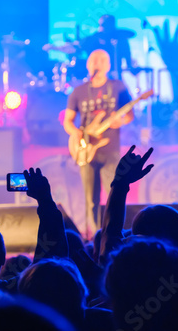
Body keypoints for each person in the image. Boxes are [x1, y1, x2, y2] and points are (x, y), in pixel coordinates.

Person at [63, 49, 134, 238]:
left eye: (103, 60)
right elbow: (67, 121)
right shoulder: (78, 91)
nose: (98, 63)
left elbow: (130, 114)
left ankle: (112, 236)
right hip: (86, 149)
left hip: (111, 149)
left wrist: (122, 120)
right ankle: (93, 237)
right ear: (88, 64)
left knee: (114, 195)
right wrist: (76, 133)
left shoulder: (118, 87)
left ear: (109, 65)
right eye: (94, 59)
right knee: (90, 199)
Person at [78, 14, 134, 80]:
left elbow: (128, 60)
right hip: (95, 78)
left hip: (115, 79)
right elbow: (77, 51)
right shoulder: (90, 40)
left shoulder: (120, 40)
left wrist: (132, 68)